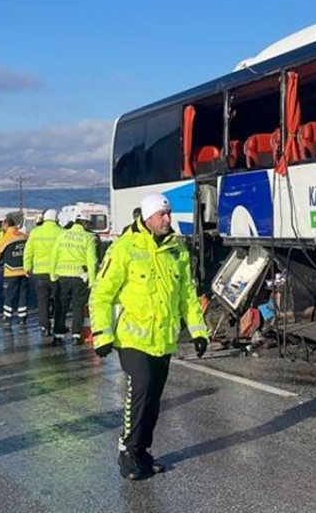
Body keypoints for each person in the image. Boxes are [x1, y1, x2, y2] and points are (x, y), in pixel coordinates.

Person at [90, 193, 209, 480]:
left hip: (163, 339)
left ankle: (142, 451)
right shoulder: (124, 248)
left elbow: (187, 297)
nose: (168, 220)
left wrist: (198, 331)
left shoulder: (176, 252)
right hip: (133, 338)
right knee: (141, 388)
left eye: (168, 214)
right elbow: (101, 294)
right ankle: (128, 451)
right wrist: (101, 334)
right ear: (147, 218)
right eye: (162, 215)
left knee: (153, 398)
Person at [49, 210, 99, 345]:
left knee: (61, 306)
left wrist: (53, 275)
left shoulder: (62, 235)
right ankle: (76, 335)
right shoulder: (89, 238)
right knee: (78, 306)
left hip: (62, 277)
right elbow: (92, 261)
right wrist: (92, 282)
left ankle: (58, 335)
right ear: (86, 223)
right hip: (80, 277)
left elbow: (54, 256)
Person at [23, 209, 63, 335]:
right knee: (59, 301)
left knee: (42, 301)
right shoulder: (61, 232)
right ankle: (58, 326)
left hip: (39, 272)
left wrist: (27, 267)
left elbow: (28, 251)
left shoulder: (35, 232)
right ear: (56, 219)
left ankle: (45, 327)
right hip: (57, 272)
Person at [0, 213, 28, 326]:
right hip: (24, 270)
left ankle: (7, 316)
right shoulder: (24, 236)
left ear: (6, 224)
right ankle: (22, 317)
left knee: (9, 295)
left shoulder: (5, 238)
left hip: (10, 271)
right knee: (23, 294)